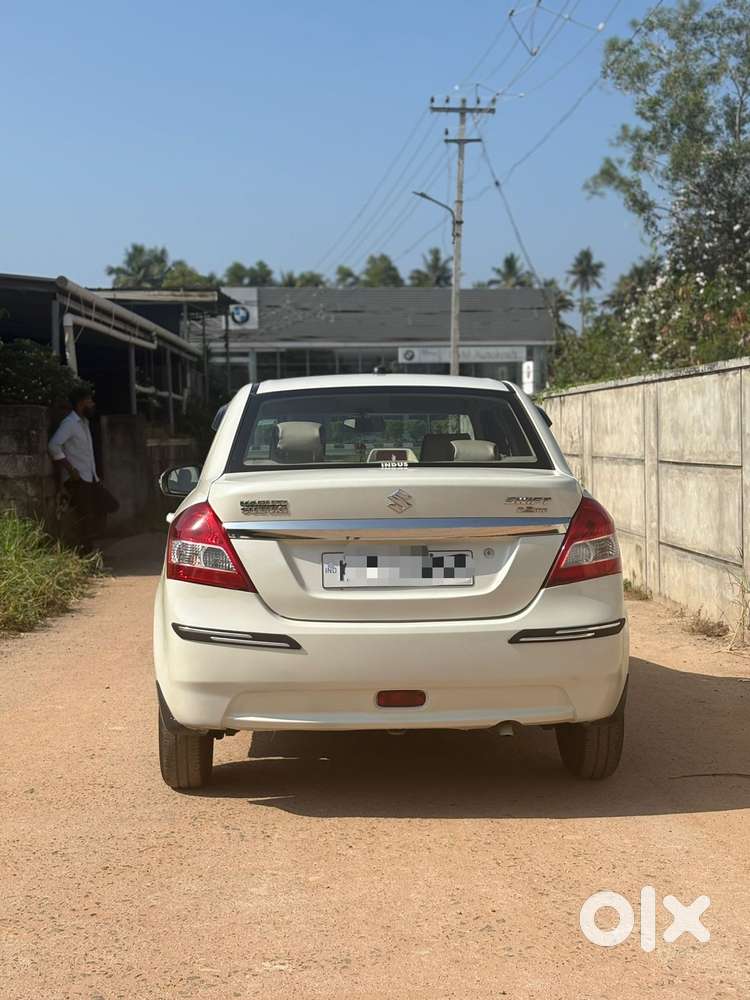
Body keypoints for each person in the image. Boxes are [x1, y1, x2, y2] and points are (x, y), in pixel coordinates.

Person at [48, 386, 119, 550]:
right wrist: (71, 470)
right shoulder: (70, 424)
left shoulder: (84, 423)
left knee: (110, 504)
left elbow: (86, 454)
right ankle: (85, 552)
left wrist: (96, 477)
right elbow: (53, 446)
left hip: (90, 478)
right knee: (86, 517)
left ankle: (88, 545)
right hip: (77, 480)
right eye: (89, 401)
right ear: (81, 403)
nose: (92, 404)